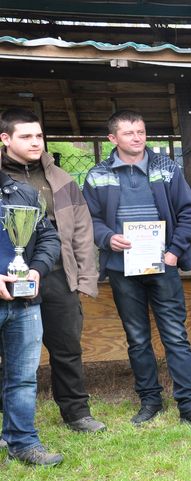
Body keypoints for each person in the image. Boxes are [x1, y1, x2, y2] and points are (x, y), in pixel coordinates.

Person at [82, 110, 191, 429]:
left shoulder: (166, 169)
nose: (137, 138)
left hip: (163, 265)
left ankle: (190, 404)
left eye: (141, 131)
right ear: (113, 138)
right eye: (129, 133)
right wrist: (107, 237)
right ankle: (150, 401)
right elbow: (88, 220)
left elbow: (190, 214)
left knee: (175, 335)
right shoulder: (97, 175)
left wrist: (173, 252)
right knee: (137, 337)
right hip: (120, 268)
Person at [0, 108, 105, 434]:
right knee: (9, 356)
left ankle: (76, 413)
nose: (36, 143)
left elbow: (82, 230)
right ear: (5, 139)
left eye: (39, 136)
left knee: (67, 347)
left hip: (57, 274)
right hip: (8, 278)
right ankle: (11, 426)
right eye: (26, 136)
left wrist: (86, 277)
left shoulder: (61, 178)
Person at [0, 164, 62, 465]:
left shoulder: (23, 192)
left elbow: (50, 239)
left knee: (23, 378)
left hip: (24, 302)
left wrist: (36, 269)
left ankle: (22, 442)